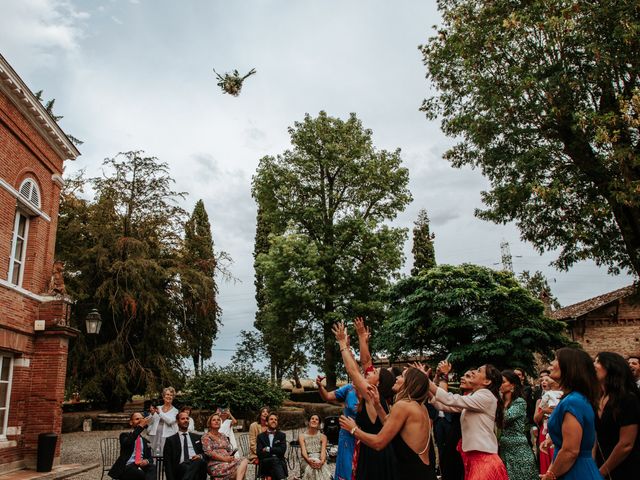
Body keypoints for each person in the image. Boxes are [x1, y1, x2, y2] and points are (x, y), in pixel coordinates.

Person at [339, 366, 437, 480]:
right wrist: (377, 405)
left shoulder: (403, 405)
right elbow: (389, 424)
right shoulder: (420, 406)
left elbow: (378, 443)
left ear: (410, 382)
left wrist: (353, 430)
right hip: (423, 471)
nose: (397, 377)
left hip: (410, 473)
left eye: (402, 376)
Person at [333, 320, 397, 480]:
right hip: (375, 451)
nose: (370, 370)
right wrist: (361, 337)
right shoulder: (377, 396)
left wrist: (342, 344)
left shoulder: (371, 395)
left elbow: (352, 371)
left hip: (374, 455)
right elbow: (366, 362)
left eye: (375, 371)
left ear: (379, 382)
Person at [428, 362, 508, 480]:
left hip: (484, 459)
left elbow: (450, 399)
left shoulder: (486, 395)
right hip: (474, 459)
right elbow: (444, 406)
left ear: (487, 382)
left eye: (479, 371)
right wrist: (427, 387)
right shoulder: (475, 396)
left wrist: (426, 380)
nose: (473, 372)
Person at [316, 316, 371, 480]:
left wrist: (346, 346)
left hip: (364, 434)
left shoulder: (369, 390)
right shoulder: (348, 389)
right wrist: (320, 386)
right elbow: (327, 396)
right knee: (346, 471)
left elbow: (360, 364)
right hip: (347, 435)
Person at [540, 347, 602, 480]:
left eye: (556, 359)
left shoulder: (573, 401)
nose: (551, 363)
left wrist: (550, 476)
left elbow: (570, 450)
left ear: (569, 366)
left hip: (576, 471)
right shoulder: (573, 398)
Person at [594, 351, 640, 479]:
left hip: (626, 468)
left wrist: (601, 472)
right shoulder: (598, 398)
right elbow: (596, 435)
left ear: (611, 367)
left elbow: (626, 444)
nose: (593, 365)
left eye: (598, 361)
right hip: (601, 464)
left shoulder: (628, 399)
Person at [498, 370, 537, 480]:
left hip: (519, 450)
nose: (500, 385)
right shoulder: (500, 403)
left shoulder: (519, 402)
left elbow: (505, 418)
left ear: (512, 385)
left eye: (503, 382)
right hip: (504, 449)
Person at [108, 412, 156, 480]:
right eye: (137, 419)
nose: (140, 421)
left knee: (153, 468)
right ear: (131, 422)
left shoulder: (144, 440)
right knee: (141, 474)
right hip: (127, 466)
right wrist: (140, 426)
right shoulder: (124, 435)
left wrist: (147, 461)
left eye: (142, 419)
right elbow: (128, 442)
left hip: (140, 465)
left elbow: (150, 458)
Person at [202, 412, 248, 480]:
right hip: (215, 463)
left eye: (218, 420)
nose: (217, 421)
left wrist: (231, 457)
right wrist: (224, 459)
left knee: (244, 461)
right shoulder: (206, 436)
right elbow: (209, 453)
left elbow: (229, 450)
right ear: (209, 423)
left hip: (228, 461)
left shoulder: (223, 436)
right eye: (214, 420)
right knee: (240, 472)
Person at [163, 411, 207, 480]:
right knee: (192, 468)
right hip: (180, 468)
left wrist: (200, 456)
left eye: (187, 418)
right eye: (183, 419)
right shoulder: (171, 440)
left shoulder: (197, 437)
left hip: (197, 464)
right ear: (177, 421)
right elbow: (167, 462)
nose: (186, 420)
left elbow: (205, 453)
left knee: (199, 461)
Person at [533, 373, 562, 474]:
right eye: (542, 380)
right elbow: (536, 419)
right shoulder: (541, 400)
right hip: (545, 431)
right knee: (546, 458)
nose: (544, 382)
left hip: (560, 430)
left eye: (547, 379)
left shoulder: (564, 396)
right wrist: (544, 411)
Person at [299, 414, 332, 480]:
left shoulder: (323, 437)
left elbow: (323, 452)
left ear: (319, 424)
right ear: (309, 422)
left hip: (319, 459)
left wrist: (321, 462)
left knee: (322, 470)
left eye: (316, 419)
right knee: (311, 470)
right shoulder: (301, 436)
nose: (314, 420)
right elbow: (303, 452)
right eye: (312, 418)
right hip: (307, 459)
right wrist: (309, 461)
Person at [256, 413, 288, 480]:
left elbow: (282, 451)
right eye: (271, 419)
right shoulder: (260, 437)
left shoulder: (282, 435)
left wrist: (268, 449)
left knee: (275, 464)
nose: (274, 421)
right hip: (266, 463)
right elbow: (259, 453)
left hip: (279, 462)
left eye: (275, 420)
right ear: (267, 422)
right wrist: (275, 452)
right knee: (275, 459)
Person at [149, 387, 179, 453]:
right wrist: (152, 414)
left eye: (171, 395)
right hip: (154, 435)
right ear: (163, 396)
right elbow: (150, 422)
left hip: (167, 436)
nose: (169, 396)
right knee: (153, 454)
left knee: (165, 453)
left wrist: (159, 413)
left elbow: (170, 421)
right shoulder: (158, 407)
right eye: (167, 394)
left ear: (173, 397)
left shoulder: (175, 411)